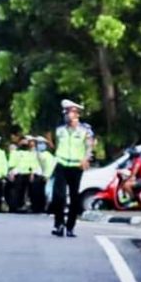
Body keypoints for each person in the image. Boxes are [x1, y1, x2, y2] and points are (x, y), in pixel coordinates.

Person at [51, 100, 95, 236]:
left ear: (77, 114)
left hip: (76, 166)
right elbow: (55, 143)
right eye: (67, 112)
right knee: (59, 196)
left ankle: (70, 226)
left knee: (75, 197)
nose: (69, 115)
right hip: (61, 164)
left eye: (71, 112)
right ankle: (59, 225)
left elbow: (89, 147)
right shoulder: (60, 129)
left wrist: (86, 159)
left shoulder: (85, 130)